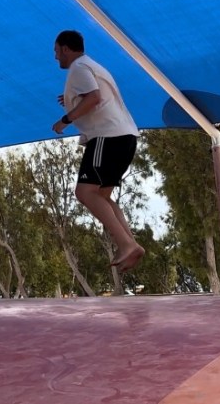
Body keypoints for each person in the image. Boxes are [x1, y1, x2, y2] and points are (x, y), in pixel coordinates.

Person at [51, 30, 145, 272]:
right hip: (125, 137)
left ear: (65, 49)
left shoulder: (78, 67)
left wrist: (65, 119)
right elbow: (95, 95)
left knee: (84, 192)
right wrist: (71, 98)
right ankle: (130, 243)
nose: (56, 57)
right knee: (102, 196)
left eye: (56, 51)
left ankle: (127, 244)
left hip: (107, 137)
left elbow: (93, 97)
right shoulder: (92, 66)